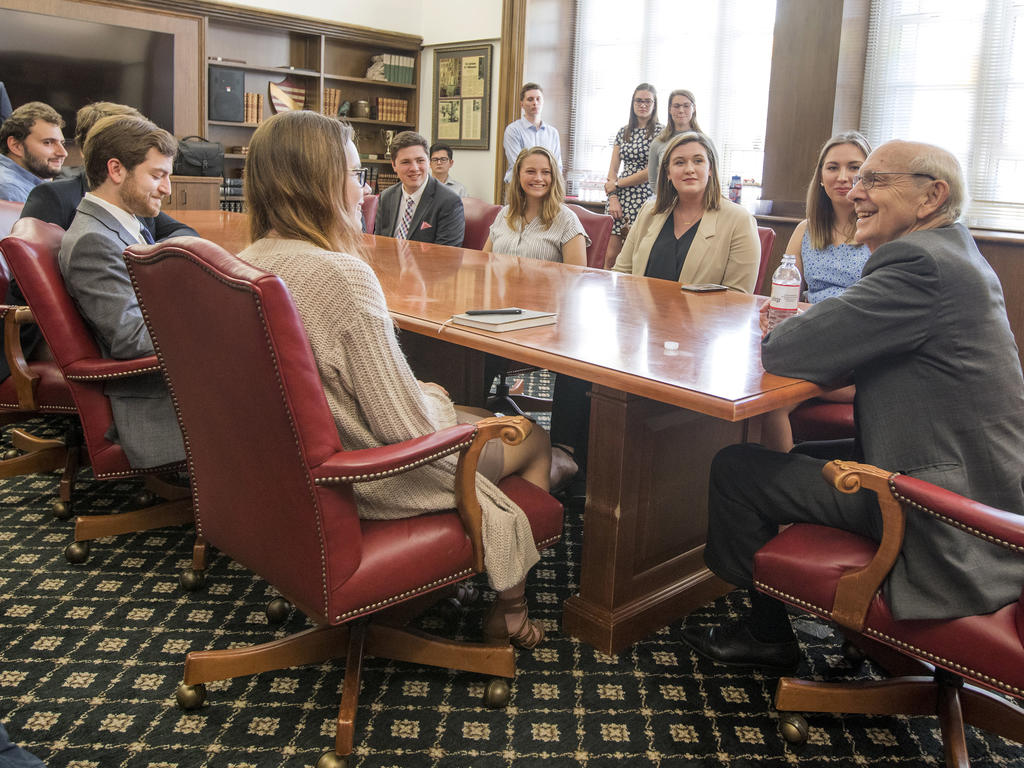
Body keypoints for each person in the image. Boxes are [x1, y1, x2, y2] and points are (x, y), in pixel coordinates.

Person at [681, 140, 1024, 673]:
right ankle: (840, 627)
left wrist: (800, 328)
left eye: (875, 181)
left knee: (737, 468)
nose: (855, 192)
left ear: (932, 196)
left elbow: (787, 347)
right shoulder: (956, 253)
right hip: (978, 481)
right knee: (801, 453)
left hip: (937, 510)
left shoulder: (918, 263)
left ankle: (765, 634)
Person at [239, 110, 552, 648]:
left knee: (473, 413)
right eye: (355, 174)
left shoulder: (246, 261)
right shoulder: (340, 276)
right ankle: (509, 603)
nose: (363, 190)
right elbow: (405, 429)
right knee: (534, 436)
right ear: (317, 180)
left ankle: (457, 577)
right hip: (366, 478)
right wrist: (436, 397)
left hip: (283, 474)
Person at [58, 114, 185, 469]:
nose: (167, 189)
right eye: (158, 175)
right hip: (153, 396)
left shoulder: (121, 226)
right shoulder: (94, 240)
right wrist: (204, 319)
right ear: (116, 170)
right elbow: (131, 338)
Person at [761, 131, 872, 452]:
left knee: (782, 381)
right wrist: (775, 313)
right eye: (832, 167)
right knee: (772, 401)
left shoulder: (879, 230)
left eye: (854, 167)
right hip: (811, 340)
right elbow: (785, 293)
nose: (843, 177)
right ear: (820, 177)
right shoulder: (806, 229)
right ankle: (778, 484)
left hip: (857, 348)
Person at [21, 102, 197, 240]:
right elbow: (24, 279)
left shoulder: (133, 197)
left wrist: (149, 256)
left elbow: (185, 232)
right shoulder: (53, 198)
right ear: (90, 147)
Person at [612, 131, 759, 292]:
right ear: (668, 172)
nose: (689, 169)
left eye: (698, 161)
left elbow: (738, 297)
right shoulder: (649, 211)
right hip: (641, 314)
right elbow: (621, 275)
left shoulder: (739, 220)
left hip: (703, 317)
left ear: (710, 168)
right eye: (679, 163)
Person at [483, 146, 589, 266]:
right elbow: (485, 262)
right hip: (498, 284)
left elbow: (576, 277)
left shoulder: (568, 221)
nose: (538, 178)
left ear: (553, 177)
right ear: (518, 175)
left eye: (546, 172)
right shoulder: (505, 214)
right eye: (530, 171)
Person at [603, 83, 663, 268]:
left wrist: (618, 184)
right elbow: (612, 169)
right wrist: (613, 196)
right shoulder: (623, 131)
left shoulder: (661, 133)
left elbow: (650, 172)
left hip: (645, 197)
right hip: (619, 198)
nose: (643, 105)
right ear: (633, 103)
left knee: (637, 259)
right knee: (610, 257)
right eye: (639, 100)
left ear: (654, 104)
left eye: (647, 101)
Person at [374, 131, 464, 247]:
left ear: (428, 162)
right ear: (394, 165)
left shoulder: (449, 202)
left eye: (420, 160)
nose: (414, 168)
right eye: (406, 162)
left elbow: (446, 257)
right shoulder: (386, 196)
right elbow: (379, 244)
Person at [0, 101, 67, 202]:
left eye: (62, 143)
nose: (63, 153)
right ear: (16, 146)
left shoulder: (36, 182)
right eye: (48, 142)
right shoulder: (10, 190)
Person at [502, 83, 562, 184]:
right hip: (519, 188)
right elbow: (519, 165)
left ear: (543, 102)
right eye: (530, 99)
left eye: (538, 99)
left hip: (546, 188)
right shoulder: (513, 130)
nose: (535, 103)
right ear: (522, 104)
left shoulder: (552, 132)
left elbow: (557, 166)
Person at [646, 89, 701, 188]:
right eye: (676, 106)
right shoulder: (658, 142)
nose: (681, 110)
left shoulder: (704, 142)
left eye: (686, 106)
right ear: (669, 109)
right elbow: (653, 180)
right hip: (666, 202)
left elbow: (713, 177)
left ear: (694, 108)